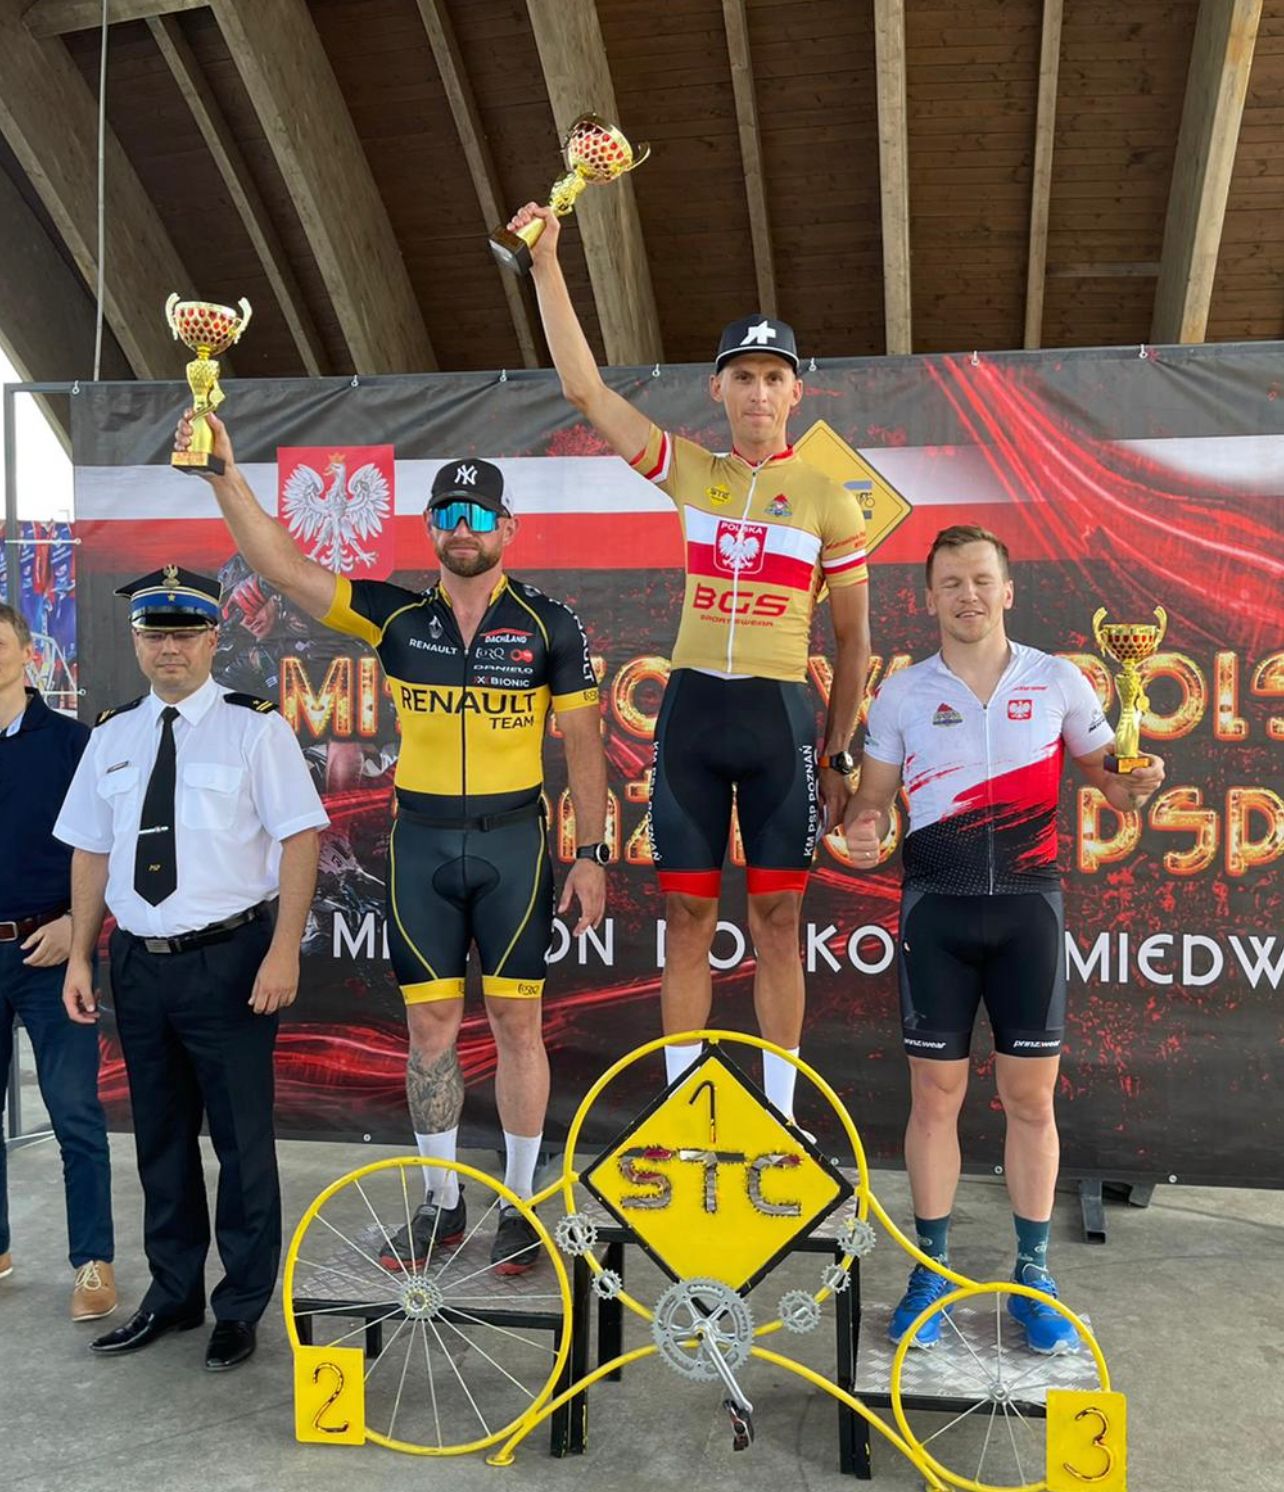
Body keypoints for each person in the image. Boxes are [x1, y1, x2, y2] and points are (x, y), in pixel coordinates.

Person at [174, 412, 608, 1275]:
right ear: (430, 529)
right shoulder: (397, 618)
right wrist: (225, 475)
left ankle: (520, 1202)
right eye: (448, 514)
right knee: (429, 1029)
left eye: (478, 515)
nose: (462, 528)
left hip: (514, 846)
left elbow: (587, 743)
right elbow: (283, 569)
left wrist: (590, 854)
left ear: (508, 528)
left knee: (518, 1026)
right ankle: (442, 1202)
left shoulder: (550, 624)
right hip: (422, 849)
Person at [509, 200, 872, 1124]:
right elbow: (586, 392)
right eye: (743, 377)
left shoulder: (830, 498)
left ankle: (781, 1119)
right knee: (686, 920)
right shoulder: (692, 472)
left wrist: (838, 753)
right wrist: (547, 262)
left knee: (779, 923)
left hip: (780, 720)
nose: (758, 394)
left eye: (774, 378)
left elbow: (854, 642)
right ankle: (683, 1114)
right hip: (695, 717)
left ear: (797, 394)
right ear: (718, 390)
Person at [843, 526, 1165, 1354]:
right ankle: (931, 1273)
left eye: (982, 580)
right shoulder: (903, 693)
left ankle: (1033, 1275)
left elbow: (1113, 784)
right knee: (935, 1099)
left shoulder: (1056, 679)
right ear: (929, 597)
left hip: (1028, 914)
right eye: (951, 582)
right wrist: (865, 826)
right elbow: (871, 801)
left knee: (1030, 1100)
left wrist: (1137, 780)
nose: (968, 595)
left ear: (1008, 590)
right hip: (937, 916)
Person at [55, 566, 327, 1369]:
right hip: (139, 966)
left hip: (230, 960)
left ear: (213, 639)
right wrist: (80, 954)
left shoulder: (255, 729)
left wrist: (283, 949)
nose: (168, 649)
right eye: (154, 635)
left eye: (184, 634)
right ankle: (172, 1294)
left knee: (242, 1144)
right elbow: (90, 851)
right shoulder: (111, 735)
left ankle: (239, 1307)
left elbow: (301, 837)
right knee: (161, 1140)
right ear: (137, 642)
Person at [0, 602, 115, 1321]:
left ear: (26, 655)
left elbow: (111, 844)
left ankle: (93, 1262)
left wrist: (77, 926)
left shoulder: (74, 743)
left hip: (50, 953)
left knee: (73, 1110)